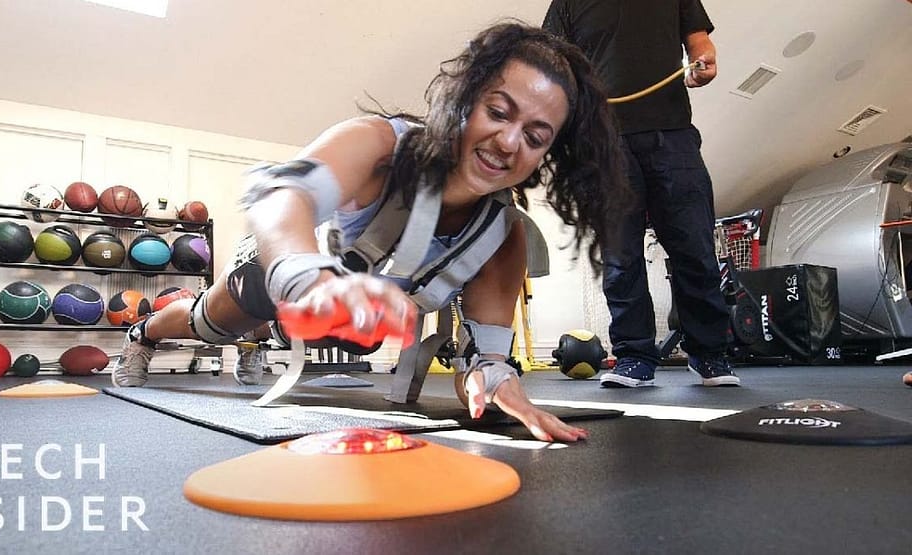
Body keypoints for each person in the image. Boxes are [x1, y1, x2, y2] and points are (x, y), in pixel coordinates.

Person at [113, 21, 628, 442]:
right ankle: (144, 333)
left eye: (535, 137)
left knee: (358, 337)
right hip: (277, 268)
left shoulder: (503, 235)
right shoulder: (381, 145)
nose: (509, 141)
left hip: (350, 325)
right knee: (211, 324)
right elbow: (279, 197)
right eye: (498, 112)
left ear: (546, 155)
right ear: (467, 100)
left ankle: (267, 337)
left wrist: (498, 383)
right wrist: (307, 280)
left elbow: (484, 355)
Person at [544, 0, 740, 388]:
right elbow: (552, 66)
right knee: (620, 256)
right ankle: (634, 357)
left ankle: (709, 355)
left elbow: (700, 43)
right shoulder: (567, 3)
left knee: (695, 248)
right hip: (603, 143)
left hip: (673, 135)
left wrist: (704, 63)